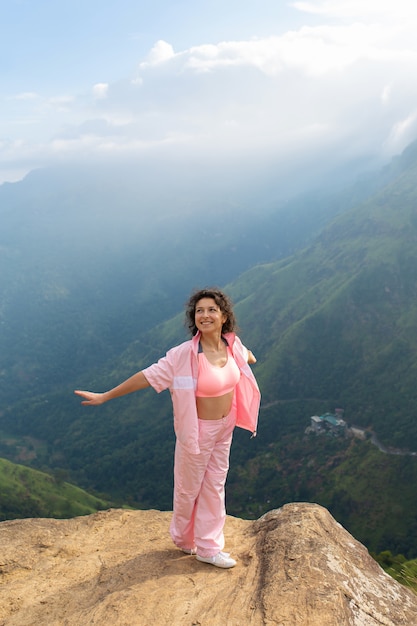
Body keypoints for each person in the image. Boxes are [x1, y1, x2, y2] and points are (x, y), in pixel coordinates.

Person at [74, 287, 260, 569]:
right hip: (198, 431)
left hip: (226, 427)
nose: (205, 315)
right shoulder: (183, 355)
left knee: (215, 485)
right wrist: (105, 396)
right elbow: (146, 377)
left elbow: (247, 358)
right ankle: (185, 539)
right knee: (189, 489)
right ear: (193, 318)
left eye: (212, 310)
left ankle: (208, 547)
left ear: (224, 316)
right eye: (199, 311)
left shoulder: (232, 345)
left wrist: (247, 357)